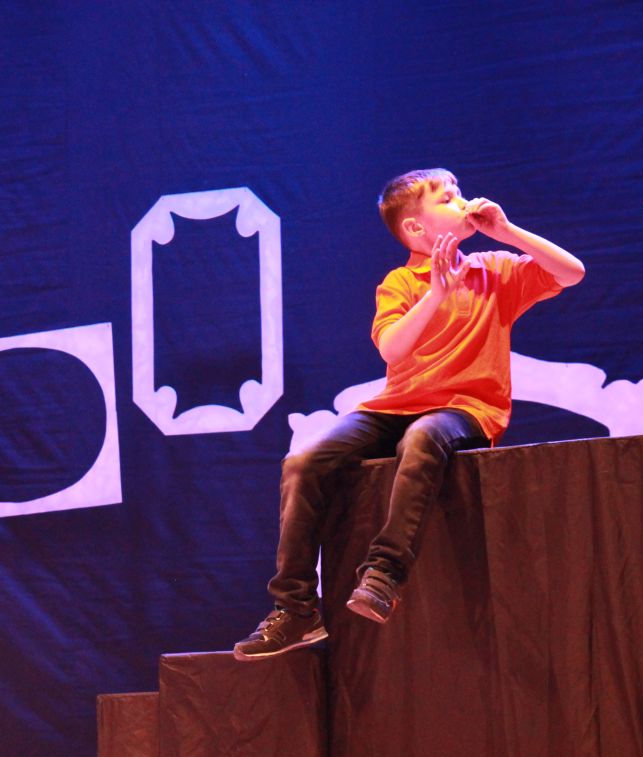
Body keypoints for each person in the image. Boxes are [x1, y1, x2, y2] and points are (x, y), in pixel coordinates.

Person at [233, 168, 584, 661]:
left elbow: (572, 272)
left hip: (465, 409)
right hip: (394, 406)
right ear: (416, 228)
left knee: (422, 438)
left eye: (460, 193)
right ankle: (295, 609)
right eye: (448, 198)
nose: (463, 202)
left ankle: (384, 574)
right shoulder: (399, 283)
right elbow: (393, 350)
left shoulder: (493, 269)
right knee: (303, 461)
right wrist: (438, 292)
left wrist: (505, 232)